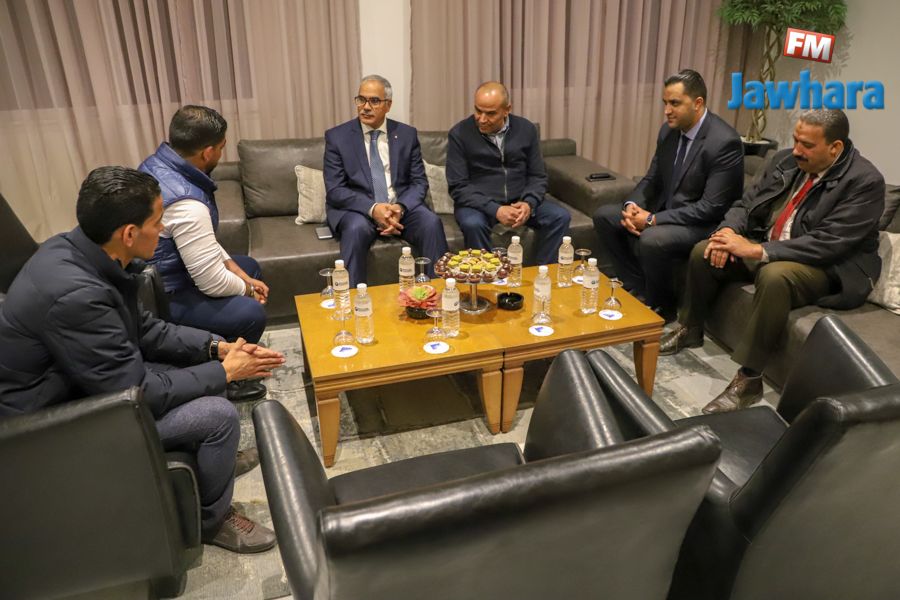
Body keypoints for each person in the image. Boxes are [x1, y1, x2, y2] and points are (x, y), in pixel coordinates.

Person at [0, 167, 285, 553]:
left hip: (78, 382)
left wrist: (216, 348)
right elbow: (139, 392)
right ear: (129, 234)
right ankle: (210, 522)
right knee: (219, 415)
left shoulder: (81, 252)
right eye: (157, 221)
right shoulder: (75, 295)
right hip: (47, 424)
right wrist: (225, 372)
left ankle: (213, 464)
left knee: (202, 372)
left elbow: (147, 330)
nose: (163, 229)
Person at [661, 109, 885, 413]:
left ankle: (749, 378)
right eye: (796, 140)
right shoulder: (785, 161)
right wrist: (728, 233)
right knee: (705, 250)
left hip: (829, 267)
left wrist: (757, 251)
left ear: (835, 148)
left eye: (807, 145)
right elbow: (744, 205)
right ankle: (690, 328)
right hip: (774, 247)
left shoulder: (864, 181)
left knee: (775, 275)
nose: (797, 150)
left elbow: (829, 243)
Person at [593, 69, 744, 322]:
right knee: (605, 216)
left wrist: (652, 219)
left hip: (704, 223)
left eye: (674, 103)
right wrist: (632, 206)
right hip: (668, 212)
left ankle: (663, 307)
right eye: (665, 103)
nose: (667, 110)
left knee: (652, 238)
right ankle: (637, 287)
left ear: (697, 103)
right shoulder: (668, 132)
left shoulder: (724, 142)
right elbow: (652, 178)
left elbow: (711, 207)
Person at [139, 105, 267, 402]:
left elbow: (202, 241)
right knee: (252, 313)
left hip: (166, 276)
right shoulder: (187, 203)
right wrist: (249, 291)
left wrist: (240, 273)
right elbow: (211, 282)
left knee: (249, 266)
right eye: (221, 148)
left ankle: (223, 351)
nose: (221, 154)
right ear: (207, 152)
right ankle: (229, 378)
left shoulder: (157, 165)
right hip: (163, 297)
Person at [323, 74, 448, 286]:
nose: (365, 107)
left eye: (374, 101)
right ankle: (351, 298)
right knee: (355, 229)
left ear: (388, 105)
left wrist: (399, 208)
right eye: (361, 100)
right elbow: (335, 190)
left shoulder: (406, 134)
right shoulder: (337, 137)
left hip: (399, 208)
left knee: (431, 223)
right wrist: (374, 209)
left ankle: (438, 293)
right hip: (358, 210)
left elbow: (419, 182)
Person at [446, 81, 570, 264]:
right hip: (478, 204)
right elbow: (458, 186)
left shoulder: (526, 130)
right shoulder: (459, 134)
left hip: (519, 199)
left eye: (490, 113)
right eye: (478, 110)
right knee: (473, 224)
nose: (482, 119)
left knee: (560, 216)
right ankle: (487, 275)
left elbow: (538, 176)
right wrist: (495, 209)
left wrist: (528, 203)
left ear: (507, 110)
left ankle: (542, 273)